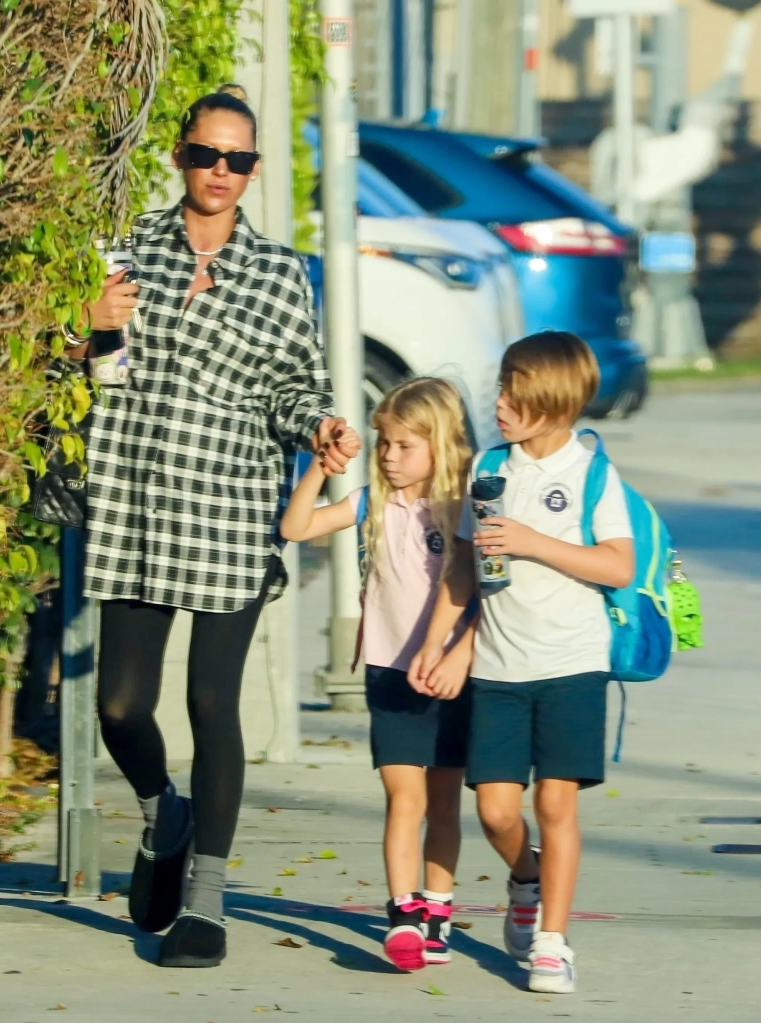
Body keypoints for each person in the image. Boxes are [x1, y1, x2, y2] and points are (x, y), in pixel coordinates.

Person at [64, 91, 355, 969]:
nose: (220, 172)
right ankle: (165, 814)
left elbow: (295, 385)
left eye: (239, 160)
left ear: (254, 171)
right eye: (206, 154)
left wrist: (319, 426)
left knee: (210, 703)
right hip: (136, 502)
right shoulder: (127, 249)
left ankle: (207, 900)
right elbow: (74, 369)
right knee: (120, 705)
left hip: (231, 507)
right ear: (180, 156)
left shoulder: (278, 272)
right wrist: (85, 328)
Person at [409, 332, 635, 994]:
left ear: (555, 403)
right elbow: (463, 569)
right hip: (499, 668)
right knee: (497, 811)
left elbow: (617, 565)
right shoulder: (490, 466)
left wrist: (535, 542)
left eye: (514, 394)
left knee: (557, 803)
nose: (500, 404)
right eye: (501, 389)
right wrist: (434, 642)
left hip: (572, 663)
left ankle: (552, 943)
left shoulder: (592, 474)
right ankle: (527, 877)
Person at [281, 378, 477, 972]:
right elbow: (295, 529)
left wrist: (456, 653)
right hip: (389, 671)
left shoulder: (464, 510)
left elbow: (478, 591)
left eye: (404, 446)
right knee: (403, 798)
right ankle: (404, 914)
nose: (389, 456)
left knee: (443, 802)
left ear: (440, 445)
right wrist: (319, 470)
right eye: (383, 443)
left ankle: (438, 907)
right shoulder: (373, 502)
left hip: (450, 677)